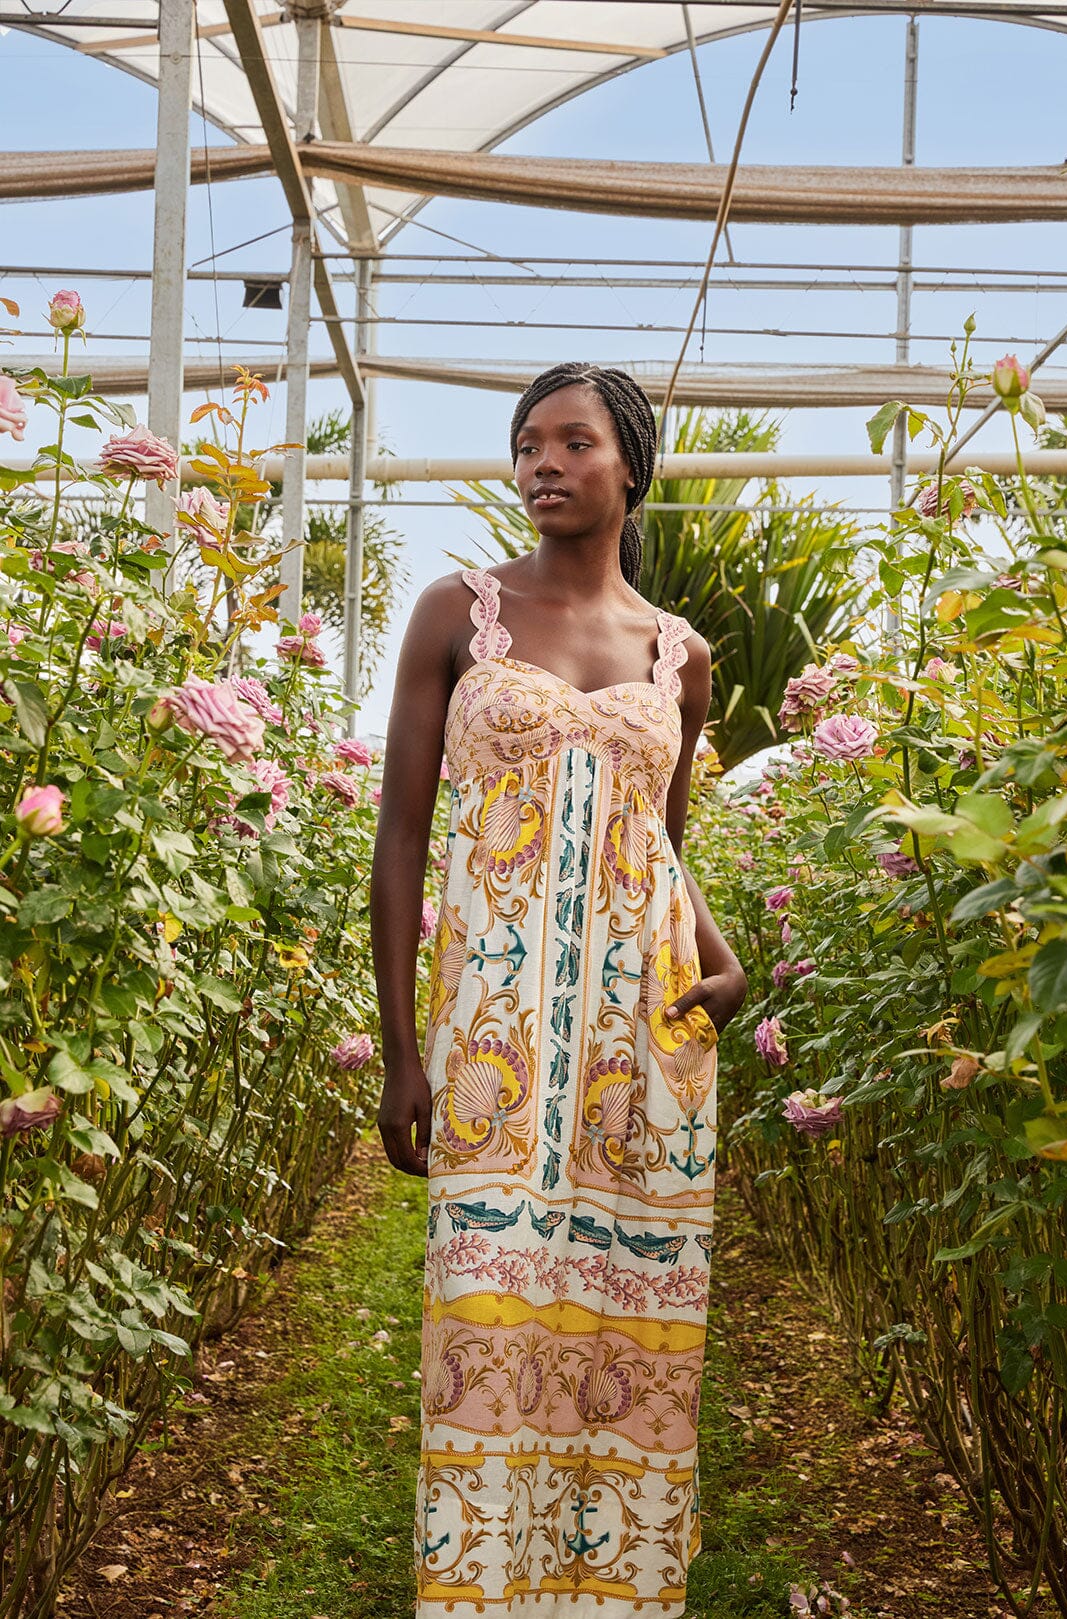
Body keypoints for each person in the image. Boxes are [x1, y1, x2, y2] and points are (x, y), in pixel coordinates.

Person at [370, 361, 749, 1617]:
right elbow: (400, 839)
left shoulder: (680, 656)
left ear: (631, 463)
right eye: (528, 441)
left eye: (574, 441)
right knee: (489, 1301)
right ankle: (479, 1585)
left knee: (623, 1316)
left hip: (641, 1047)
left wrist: (721, 957)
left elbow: (661, 841)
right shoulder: (457, 613)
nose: (543, 462)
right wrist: (403, 1053)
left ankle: (608, 1591)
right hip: (494, 1041)